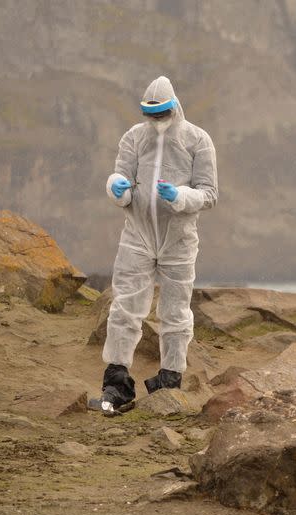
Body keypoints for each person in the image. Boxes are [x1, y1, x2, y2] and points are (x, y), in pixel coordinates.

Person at [92, 76, 218, 416]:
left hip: (178, 239)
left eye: (162, 113)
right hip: (137, 236)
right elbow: (124, 181)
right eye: (151, 114)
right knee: (125, 308)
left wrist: (180, 196)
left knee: (176, 311)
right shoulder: (133, 138)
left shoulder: (198, 140)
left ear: (174, 108)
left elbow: (209, 194)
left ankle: (170, 377)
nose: (157, 120)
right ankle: (116, 381)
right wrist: (118, 190)